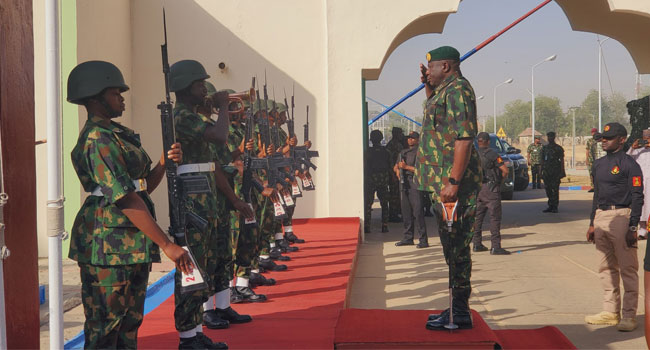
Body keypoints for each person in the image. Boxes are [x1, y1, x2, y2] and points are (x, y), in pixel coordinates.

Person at [67, 60, 194, 349]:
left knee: (128, 322)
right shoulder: (98, 138)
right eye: (115, 93)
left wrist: (163, 162)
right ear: (95, 97)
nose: (122, 98)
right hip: (107, 244)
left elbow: (142, 186)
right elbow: (124, 198)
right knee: (106, 326)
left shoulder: (116, 134)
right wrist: (166, 244)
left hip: (130, 242)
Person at [170, 59, 253, 349]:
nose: (204, 89)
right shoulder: (181, 116)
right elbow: (220, 136)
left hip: (210, 201)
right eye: (198, 84)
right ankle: (187, 335)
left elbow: (214, 164)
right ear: (184, 87)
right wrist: (220, 106)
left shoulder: (197, 117)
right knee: (194, 268)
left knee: (218, 258)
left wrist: (234, 199)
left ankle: (218, 308)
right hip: (193, 203)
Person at [414, 46, 482, 330]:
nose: (427, 71)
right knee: (449, 246)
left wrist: (453, 182)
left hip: (452, 185)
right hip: (439, 182)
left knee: (456, 247)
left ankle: (460, 312)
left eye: (431, 67)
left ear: (447, 66)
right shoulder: (444, 90)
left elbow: (464, 139)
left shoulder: (459, 91)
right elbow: (437, 121)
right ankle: (456, 307)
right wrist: (428, 86)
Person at [585, 122, 643, 332]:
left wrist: (633, 225)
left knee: (627, 269)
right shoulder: (599, 164)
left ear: (621, 139)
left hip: (621, 216)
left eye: (609, 138)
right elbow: (597, 195)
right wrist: (592, 223)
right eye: (603, 138)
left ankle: (629, 315)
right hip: (601, 216)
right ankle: (610, 311)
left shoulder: (630, 165)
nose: (604, 141)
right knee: (606, 268)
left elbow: (638, 196)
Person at [472, 132, 510, 255]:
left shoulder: (473, 155)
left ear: (478, 142)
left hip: (478, 189)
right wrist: (499, 181)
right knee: (495, 218)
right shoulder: (493, 154)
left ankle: (477, 244)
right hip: (491, 189)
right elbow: (505, 170)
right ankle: (495, 246)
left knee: (478, 218)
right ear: (488, 142)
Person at [393, 131, 428, 248]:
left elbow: (422, 170)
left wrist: (406, 167)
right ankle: (408, 237)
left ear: (418, 140)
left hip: (415, 183)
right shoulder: (403, 152)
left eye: (413, 138)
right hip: (404, 183)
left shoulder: (420, 153)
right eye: (409, 138)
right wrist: (397, 170)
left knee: (418, 211)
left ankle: (423, 239)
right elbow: (396, 166)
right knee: (406, 211)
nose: (410, 140)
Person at [364, 129, 391, 233]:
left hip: (371, 179)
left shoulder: (368, 152)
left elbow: (365, 166)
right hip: (383, 179)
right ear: (381, 139)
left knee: (368, 203)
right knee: (384, 203)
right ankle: (384, 225)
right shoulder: (386, 152)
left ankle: (367, 226)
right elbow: (390, 165)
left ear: (371, 139)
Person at [627, 128, 650, 239]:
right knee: (641, 206)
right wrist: (633, 148)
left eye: (648, 138)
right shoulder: (638, 150)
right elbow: (627, 159)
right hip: (641, 183)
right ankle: (642, 229)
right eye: (644, 138)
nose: (646, 141)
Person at [541, 131, 565, 213]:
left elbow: (562, 160)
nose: (550, 138)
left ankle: (555, 206)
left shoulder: (558, 148)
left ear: (554, 137)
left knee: (555, 189)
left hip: (555, 171)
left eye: (551, 137)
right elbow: (542, 160)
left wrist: (562, 171)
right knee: (548, 189)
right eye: (548, 137)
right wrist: (541, 171)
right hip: (547, 171)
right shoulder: (544, 148)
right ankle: (550, 205)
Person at [386, 127, 405, 222]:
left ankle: (395, 213)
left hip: (392, 172)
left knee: (395, 194)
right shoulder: (396, 145)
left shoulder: (390, 145)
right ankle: (393, 214)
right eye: (400, 133)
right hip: (394, 172)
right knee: (395, 194)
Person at [586, 127, 599, 192]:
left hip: (598, 159)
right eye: (592, 132)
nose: (593, 133)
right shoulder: (589, 141)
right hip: (591, 160)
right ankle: (593, 186)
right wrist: (587, 159)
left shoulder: (599, 140)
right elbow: (587, 150)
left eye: (594, 132)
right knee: (591, 173)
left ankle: (598, 186)